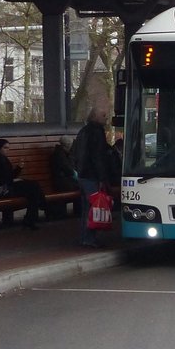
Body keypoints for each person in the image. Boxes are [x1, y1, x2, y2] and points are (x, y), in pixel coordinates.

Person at [73, 105, 112, 248]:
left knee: (86, 208)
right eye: (103, 115)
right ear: (95, 116)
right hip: (92, 175)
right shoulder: (97, 132)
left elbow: (76, 153)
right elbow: (98, 157)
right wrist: (102, 178)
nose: (106, 118)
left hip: (82, 174)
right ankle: (89, 238)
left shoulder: (83, 131)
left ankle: (85, 237)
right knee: (94, 207)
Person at [0, 138, 46, 229]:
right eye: (5, 148)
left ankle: (33, 215)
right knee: (33, 188)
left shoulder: (2, 158)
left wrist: (19, 168)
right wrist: (12, 180)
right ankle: (38, 210)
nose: (7, 150)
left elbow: (10, 175)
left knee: (33, 189)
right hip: (2, 190)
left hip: (8, 186)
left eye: (8, 148)